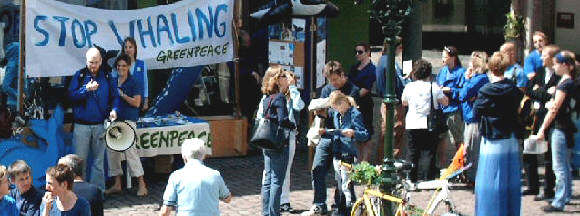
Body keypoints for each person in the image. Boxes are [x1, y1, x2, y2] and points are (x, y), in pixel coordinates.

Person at [303, 61, 360, 216]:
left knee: (343, 174)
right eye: (330, 80)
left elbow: (347, 113)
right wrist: (319, 112)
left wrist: (331, 111)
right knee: (317, 168)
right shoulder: (327, 89)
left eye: (335, 80)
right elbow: (321, 111)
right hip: (327, 135)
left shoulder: (352, 90)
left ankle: (342, 206)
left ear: (342, 75)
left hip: (342, 138)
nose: (333, 84)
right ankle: (319, 203)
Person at [473, 52, 523, 216]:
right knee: (510, 178)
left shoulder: (486, 91)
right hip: (510, 137)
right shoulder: (513, 89)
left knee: (491, 178)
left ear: (491, 68)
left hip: (493, 137)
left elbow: (476, 112)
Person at [67, 47, 119, 191]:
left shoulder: (108, 76)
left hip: (100, 124)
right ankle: (78, 191)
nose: (93, 66)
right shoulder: (80, 75)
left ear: (101, 61)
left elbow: (115, 97)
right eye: (91, 62)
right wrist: (86, 89)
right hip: (81, 125)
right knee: (78, 162)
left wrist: (114, 110)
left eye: (96, 62)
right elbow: (71, 96)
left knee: (98, 161)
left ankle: (97, 192)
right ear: (86, 61)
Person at [536, 51, 577, 212]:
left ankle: (559, 200)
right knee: (565, 165)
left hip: (560, 128)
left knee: (559, 166)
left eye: (556, 64)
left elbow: (554, 109)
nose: (554, 66)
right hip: (566, 127)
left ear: (565, 65)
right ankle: (565, 195)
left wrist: (542, 129)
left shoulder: (564, 84)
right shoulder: (570, 83)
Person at [320, 91, 370, 215]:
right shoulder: (337, 114)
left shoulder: (355, 114)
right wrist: (325, 131)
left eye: (337, 107)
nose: (336, 110)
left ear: (343, 103)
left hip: (348, 152)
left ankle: (348, 209)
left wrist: (353, 133)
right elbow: (337, 131)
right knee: (340, 182)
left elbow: (364, 134)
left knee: (346, 184)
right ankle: (343, 208)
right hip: (337, 151)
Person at [104, 54, 148, 197]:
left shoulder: (134, 81)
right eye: (118, 66)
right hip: (115, 121)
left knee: (130, 151)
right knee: (112, 151)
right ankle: (117, 184)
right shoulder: (112, 81)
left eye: (124, 65)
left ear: (129, 66)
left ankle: (142, 184)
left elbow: (136, 103)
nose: (121, 68)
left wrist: (122, 95)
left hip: (129, 120)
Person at [401, 59, 449, 182]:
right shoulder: (434, 87)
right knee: (428, 152)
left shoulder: (409, 87)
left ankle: (411, 177)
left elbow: (404, 102)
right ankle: (427, 178)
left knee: (412, 151)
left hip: (412, 122)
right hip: (429, 123)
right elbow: (445, 102)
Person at [159, 138, 232, 216]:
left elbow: (165, 211)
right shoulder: (215, 175)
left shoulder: (176, 176)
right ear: (204, 156)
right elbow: (227, 199)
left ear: (184, 156)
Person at [525, 45, 561, 199]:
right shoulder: (539, 72)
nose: (541, 58)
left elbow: (554, 98)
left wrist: (539, 92)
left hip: (550, 119)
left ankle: (548, 190)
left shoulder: (559, 77)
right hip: (536, 118)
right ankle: (532, 186)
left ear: (552, 58)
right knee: (529, 153)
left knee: (548, 156)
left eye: (544, 55)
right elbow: (528, 90)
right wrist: (543, 93)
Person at [458, 52, 489, 183]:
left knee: (473, 149)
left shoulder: (480, 79)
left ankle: (474, 178)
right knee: (468, 149)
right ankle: (470, 176)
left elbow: (463, 94)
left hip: (474, 118)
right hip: (469, 117)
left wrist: (467, 79)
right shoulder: (478, 79)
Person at [278, 70, 305, 212]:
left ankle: (284, 200)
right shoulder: (273, 94)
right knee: (271, 170)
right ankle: (272, 198)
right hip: (275, 136)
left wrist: (293, 87)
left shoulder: (292, 95)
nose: (288, 80)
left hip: (290, 136)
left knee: (286, 169)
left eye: (290, 78)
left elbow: (299, 106)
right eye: (285, 77)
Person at [376, 38, 407, 159]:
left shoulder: (385, 60)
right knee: (393, 134)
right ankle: (387, 164)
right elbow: (396, 84)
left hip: (390, 101)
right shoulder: (388, 61)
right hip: (393, 103)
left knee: (390, 134)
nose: (401, 50)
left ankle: (384, 163)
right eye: (400, 47)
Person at [436, 46, 466, 168]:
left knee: (458, 140)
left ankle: (461, 166)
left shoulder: (461, 72)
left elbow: (464, 92)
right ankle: (441, 166)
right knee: (440, 138)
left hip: (453, 110)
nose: (443, 59)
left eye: (445, 57)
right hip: (441, 109)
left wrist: (451, 90)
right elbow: (437, 84)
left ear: (452, 58)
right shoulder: (442, 71)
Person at [349, 42, 376, 162]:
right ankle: (358, 160)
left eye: (360, 52)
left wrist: (352, 98)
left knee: (366, 134)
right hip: (353, 104)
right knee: (356, 133)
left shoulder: (371, 69)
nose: (357, 54)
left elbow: (366, 89)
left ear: (368, 53)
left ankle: (364, 162)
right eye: (356, 51)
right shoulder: (354, 68)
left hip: (364, 104)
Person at [121, 37, 149, 112]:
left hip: (139, 102)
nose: (128, 49)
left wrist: (146, 100)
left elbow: (145, 83)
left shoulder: (142, 64)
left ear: (135, 49)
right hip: (124, 103)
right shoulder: (119, 65)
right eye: (126, 47)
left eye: (130, 47)